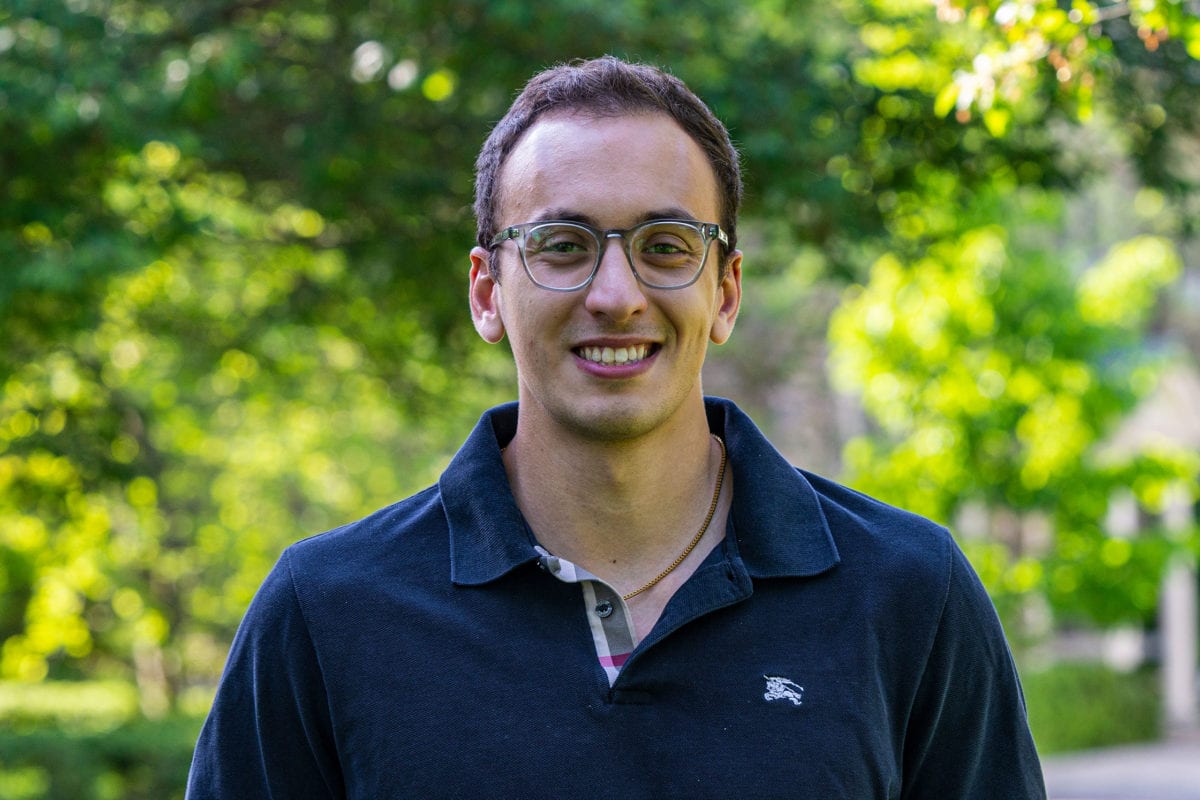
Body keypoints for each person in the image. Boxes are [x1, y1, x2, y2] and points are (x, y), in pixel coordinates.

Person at [186, 56, 1046, 798]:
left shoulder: (906, 592)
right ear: (488, 292)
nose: (616, 294)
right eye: (562, 244)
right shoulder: (328, 610)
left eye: (666, 245)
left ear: (726, 291)